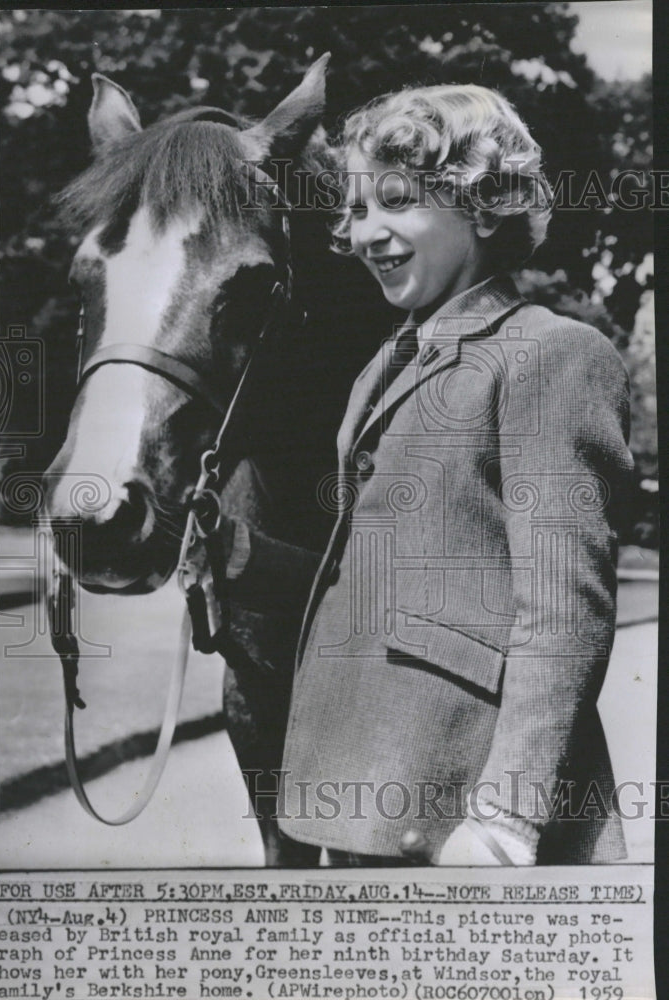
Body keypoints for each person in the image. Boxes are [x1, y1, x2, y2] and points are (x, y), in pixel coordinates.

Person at [224, 84, 634, 865]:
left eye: (395, 202)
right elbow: (372, 586)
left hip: (466, 820)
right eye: (354, 211)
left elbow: (563, 612)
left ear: (482, 205)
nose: (366, 232)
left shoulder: (549, 353)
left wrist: (508, 820)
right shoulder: (384, 365)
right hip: (360, 806)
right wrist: (237, 551)